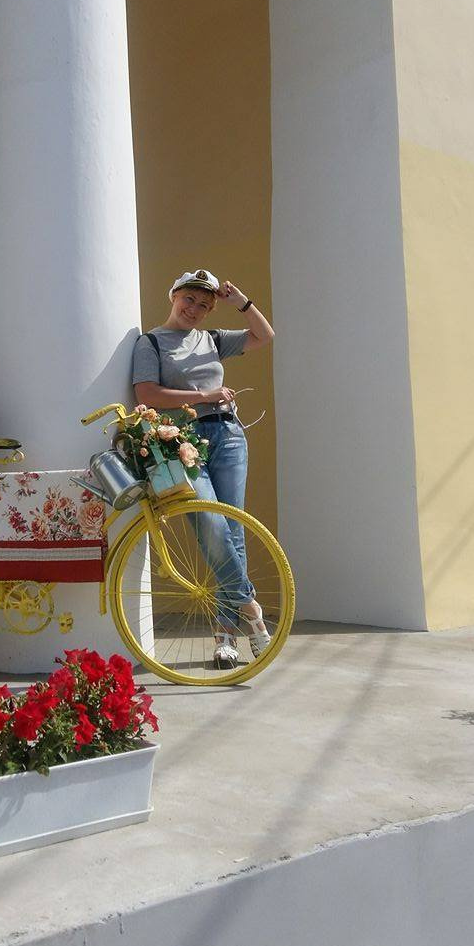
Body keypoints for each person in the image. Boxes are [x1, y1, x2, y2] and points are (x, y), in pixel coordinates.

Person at [131, 268, 275, 668]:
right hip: (183, 443)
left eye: (204, 304)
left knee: (234, 530)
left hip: (227, 436)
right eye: (189, 299)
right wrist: (206, 393)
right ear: (173, 295)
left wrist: (241, 302)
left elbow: (264, 336)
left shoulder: (211, 340)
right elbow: (147, 393)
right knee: (209, 526)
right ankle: (253, 612)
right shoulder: (152, 343)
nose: (194, 309)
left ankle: (224, 638)